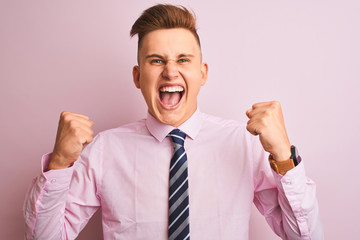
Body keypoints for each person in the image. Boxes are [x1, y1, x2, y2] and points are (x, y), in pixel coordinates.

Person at [23, 4, 323, 240]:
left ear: (202, 73)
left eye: (182, 59)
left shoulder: (242, 144)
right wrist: (60, 163)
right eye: (156, 60)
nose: (169, 72)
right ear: (138, 77)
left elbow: (305, 237)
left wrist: (284, 156)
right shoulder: (104, 151)